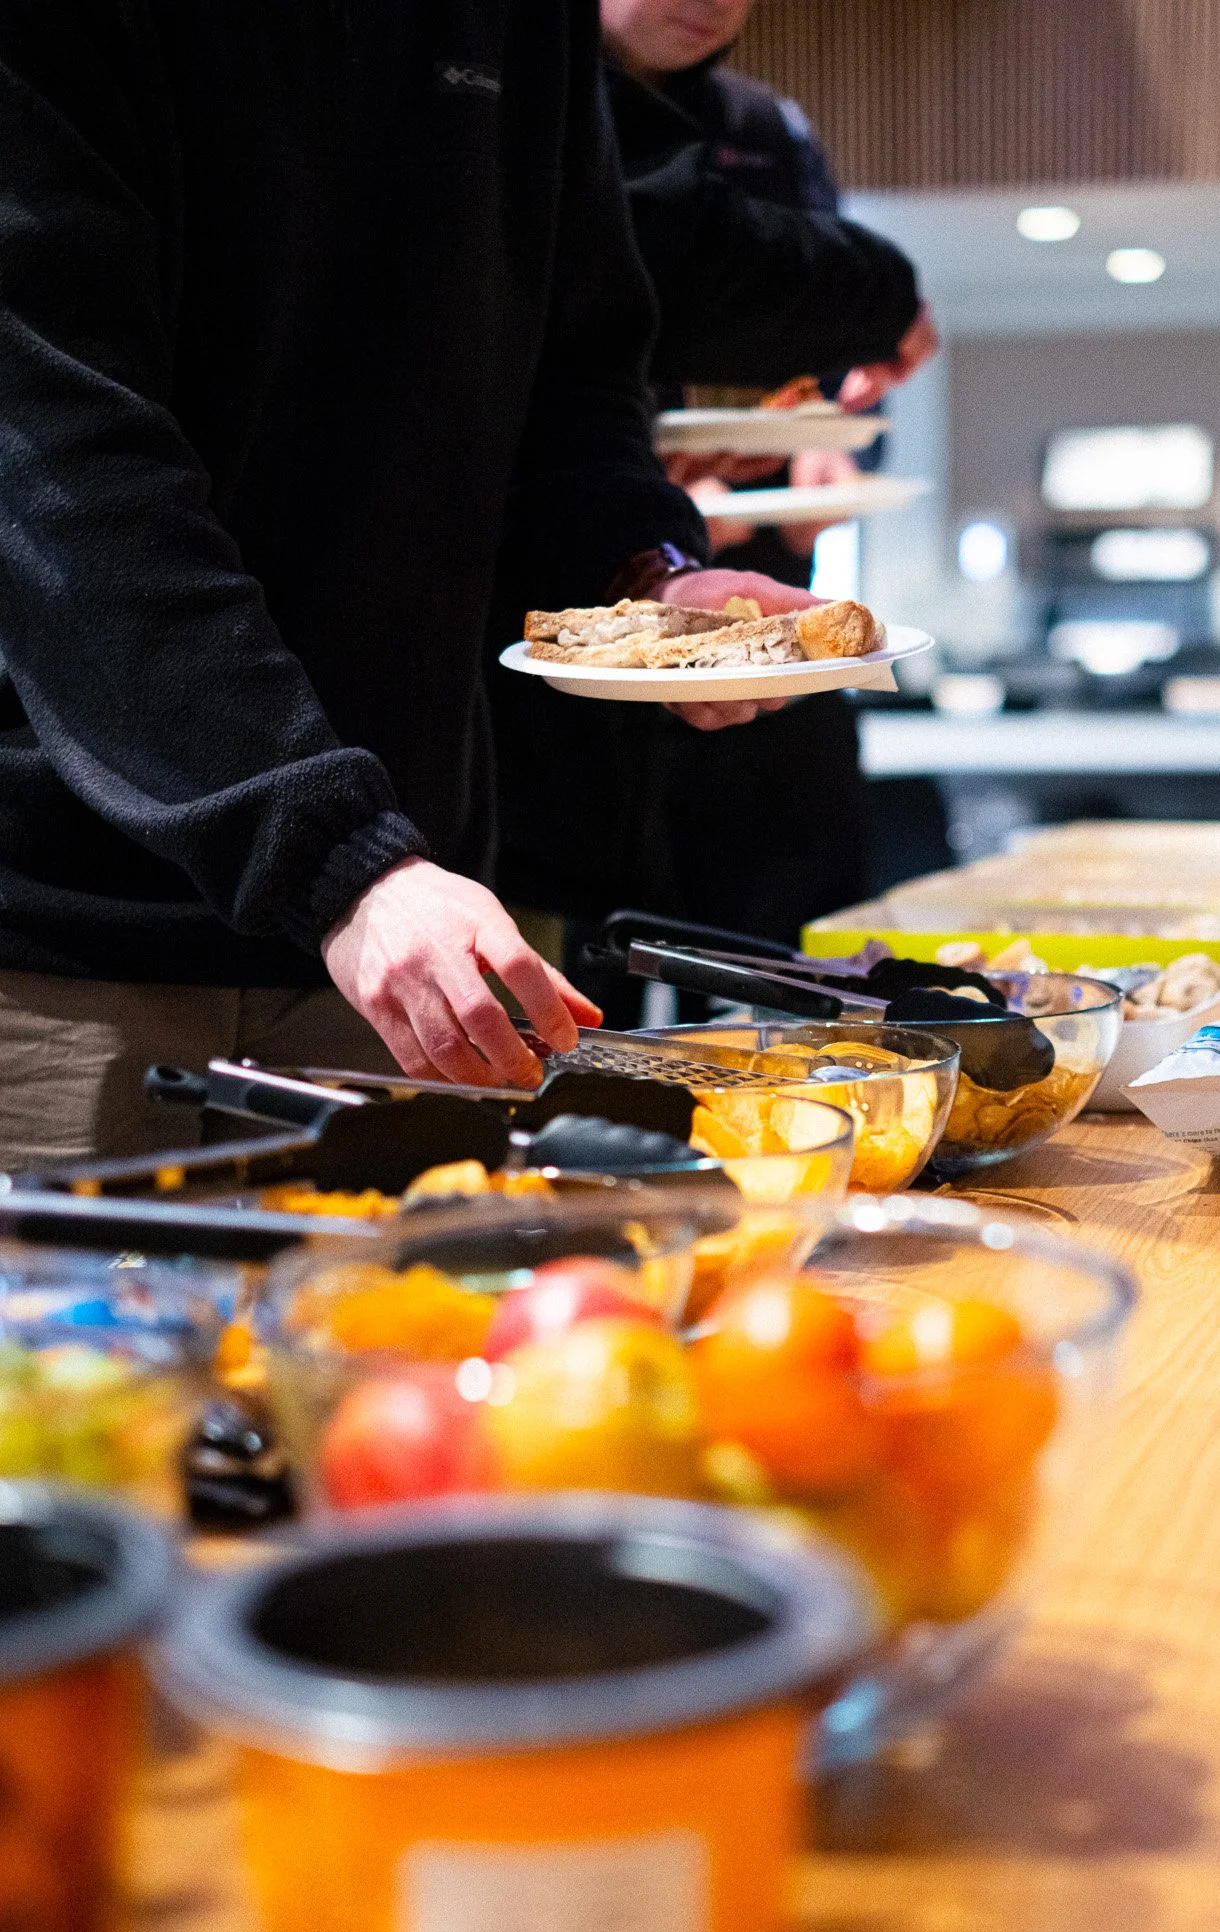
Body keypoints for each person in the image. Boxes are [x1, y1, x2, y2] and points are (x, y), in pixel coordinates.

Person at [0, 0, 816, 1166]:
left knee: (416, 1341)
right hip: (72, 945)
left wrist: (646, 582)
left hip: (407, 910)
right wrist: (335, 858)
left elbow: (570, 383)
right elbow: (61, 476)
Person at [492, 0, 940, 994]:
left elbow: (827, 373)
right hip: (558, 649)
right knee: (574, 965)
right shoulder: (511, 91)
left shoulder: (765, 128)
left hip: (728, 603)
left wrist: (821, 454)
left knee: (783, 945)